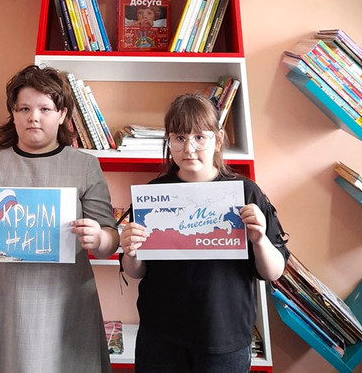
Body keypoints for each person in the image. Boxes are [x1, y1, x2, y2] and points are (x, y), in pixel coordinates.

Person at [0, 65, 119, 373]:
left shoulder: (84, 166)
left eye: (45, 109)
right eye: (24, 108)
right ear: (13, 113)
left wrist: (100, 238)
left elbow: (109, 239)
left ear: (62, 114)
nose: (33, 117)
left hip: (60, 298)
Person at [120, 93, 290, 373]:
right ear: (169, 141)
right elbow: (136, 271)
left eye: (200, 137)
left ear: (218, 140)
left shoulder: (246, 193)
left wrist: (260, 240)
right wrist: (131, 251)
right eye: (179, 138)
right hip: (161, 336)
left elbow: (273, 271)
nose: (189, 148)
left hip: (224, 338)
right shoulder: (152, 195)